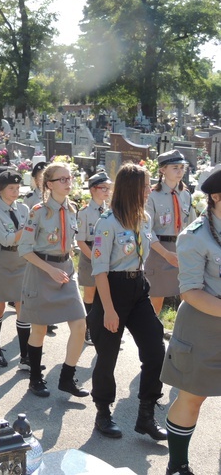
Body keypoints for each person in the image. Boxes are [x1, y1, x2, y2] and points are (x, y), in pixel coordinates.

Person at [89, 163, 167, 441]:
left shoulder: (143, 218)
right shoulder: (107, 222)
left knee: (156, 348)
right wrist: (109, 309)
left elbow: (147, 247)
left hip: (138, 287)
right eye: (146, 185)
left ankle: (146, 414)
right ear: (133, 188)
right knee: (107, 355)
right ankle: (103, 412)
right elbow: (99, 269)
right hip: (113, 289)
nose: (149, 190)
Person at [161, 167, 221, 475]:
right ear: (216, 197)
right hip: (203, 329)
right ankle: (177, 464)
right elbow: (191, 292)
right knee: (193, 398)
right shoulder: (195, 236)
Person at [17, 161, 88, 398]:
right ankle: (35, 378)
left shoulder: (72, 208)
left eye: (70, 178)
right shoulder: (38, 211)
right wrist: (49, 269)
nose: (69, 183)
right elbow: (25, 250)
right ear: (50, 184)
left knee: (80, 325)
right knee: (39, 330)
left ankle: (67, 378)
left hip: (66, 271)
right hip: (41, 272)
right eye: (63, 179)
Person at [0, 170, 29, 367]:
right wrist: (27, 230)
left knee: (22, 307)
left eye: (18, 188)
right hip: (1, 258)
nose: (15, 192)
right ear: (0, 189)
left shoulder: (24, 209)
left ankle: (26, 354)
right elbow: (6, 238)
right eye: (11, 188)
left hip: (21, 260)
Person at [145, 149, 192, 314]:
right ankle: (150, 335)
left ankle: (181, 335)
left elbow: (191, 225)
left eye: (182, 167)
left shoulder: (185, 194)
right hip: (158, 251)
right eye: (175, 167)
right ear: (162, 170)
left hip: (181, 250)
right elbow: (147, 230)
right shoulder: (152, 196)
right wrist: (165, 254)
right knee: (156, 299)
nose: (180, 171)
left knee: (187, 298)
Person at [76, 171, 112, 345]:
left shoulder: (110, 210)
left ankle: (105, 329)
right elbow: (81, 241)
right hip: (89, 254)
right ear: (92, 190)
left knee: (105, 293)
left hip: (108, 253)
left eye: (108, 188)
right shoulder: (84, 212)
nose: (106, 191)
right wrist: (95, 259)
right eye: (102, 188)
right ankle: (88, 328)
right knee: (90, 294)